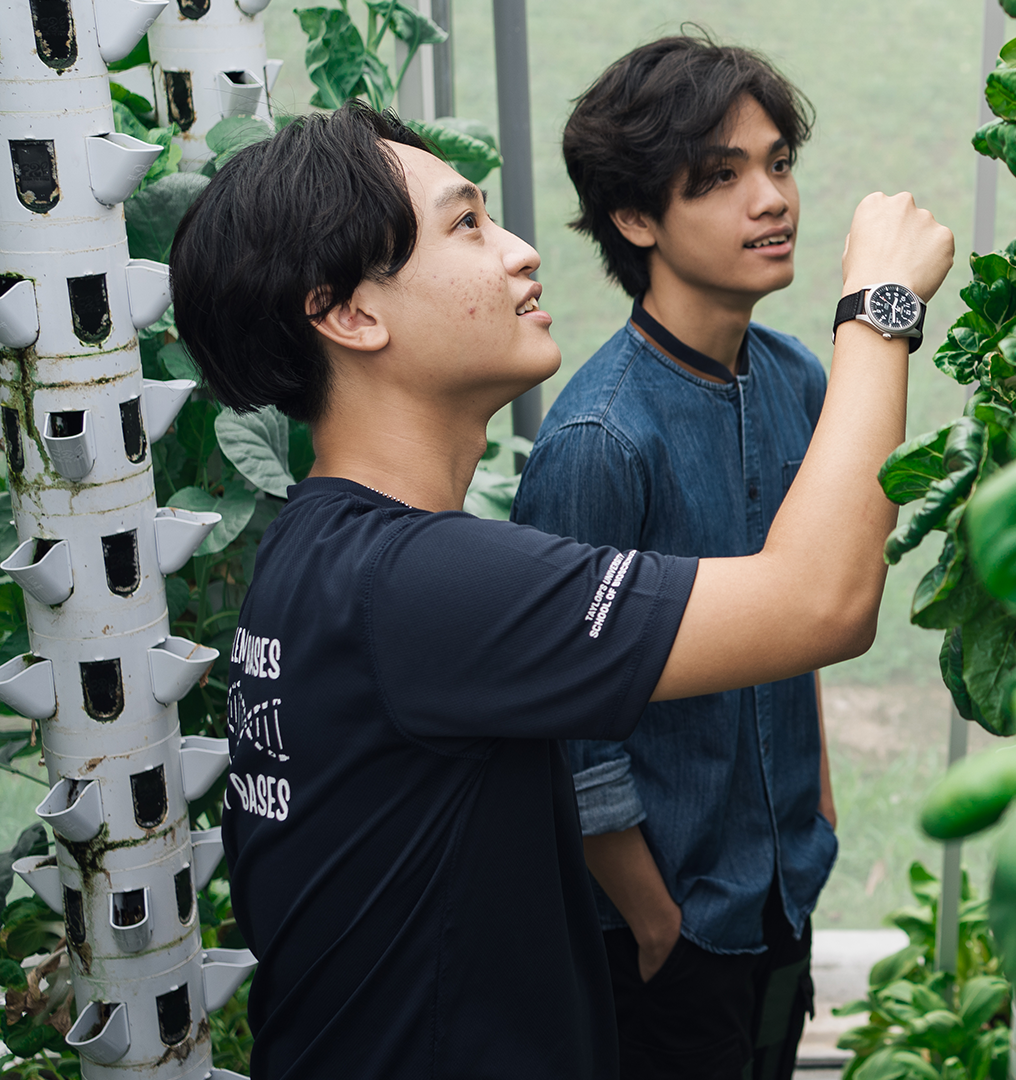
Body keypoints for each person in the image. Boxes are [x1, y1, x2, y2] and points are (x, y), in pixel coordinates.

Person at [168, 102, 951, 1079]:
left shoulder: (321, 555)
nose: (523, 252)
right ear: (351, 313)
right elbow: (819, 603)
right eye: (467, 225)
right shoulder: (421, 586)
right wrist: (879, 306)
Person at [512, 38, 869, 1080]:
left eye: (778, 163)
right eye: (720, 177)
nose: (771, 199)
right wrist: (649, 912)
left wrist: (816, 813)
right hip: (667, 930)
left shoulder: (797, 377)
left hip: (779, 888)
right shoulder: (601, 442)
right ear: (635, 219)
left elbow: (808, 615)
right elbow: (568, 721)